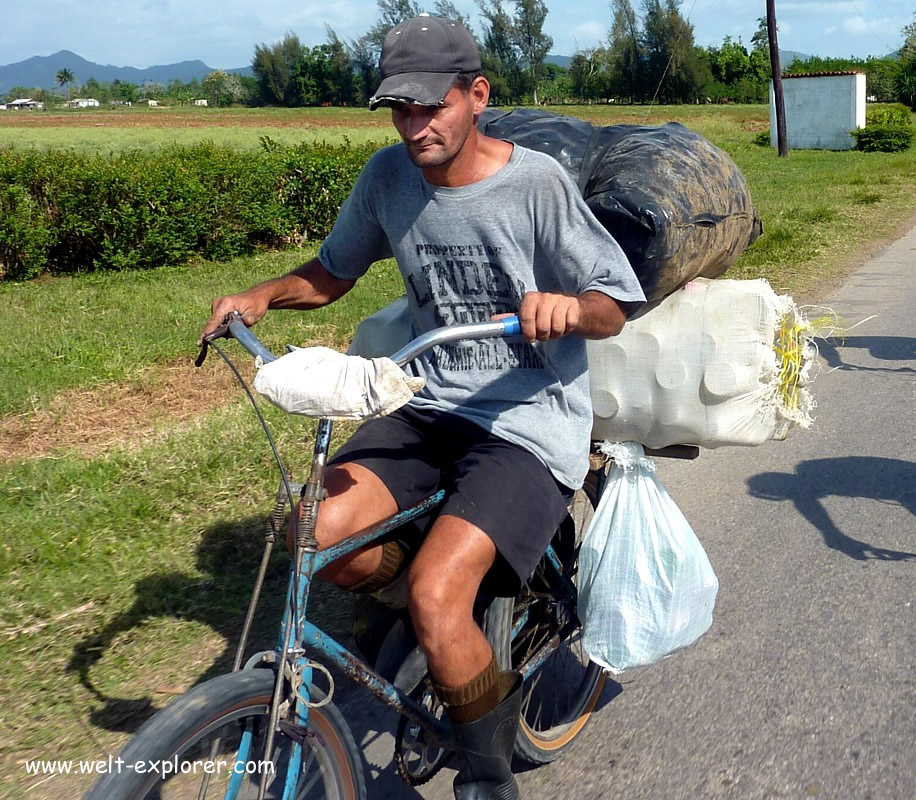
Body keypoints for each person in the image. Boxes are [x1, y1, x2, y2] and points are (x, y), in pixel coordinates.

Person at [200, 14, 644, 799]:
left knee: (441, 595)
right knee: (319, 533)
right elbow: (333, 271)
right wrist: (262, 296)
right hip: (426, 399)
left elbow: (613, 305)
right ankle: (438, 620)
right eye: (399, 110)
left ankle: (487, 774)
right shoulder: (388, 179)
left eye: (429, 106)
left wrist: (567, 310)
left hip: (525, 418)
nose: (414, 127)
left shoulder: (535, 184)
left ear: (476, 95)